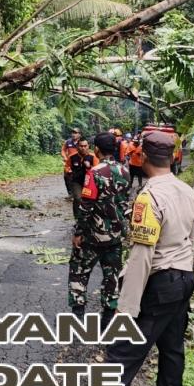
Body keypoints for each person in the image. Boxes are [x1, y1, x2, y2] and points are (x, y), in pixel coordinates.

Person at [98, 131, 194, 386]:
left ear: (142, 156)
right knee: (172, 351)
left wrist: (126, 308)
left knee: (120, 356)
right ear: (173, 157)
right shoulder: (188, 191)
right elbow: (192, 241)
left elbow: (142, 256)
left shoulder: (149, 197)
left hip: (160, 283)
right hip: (183, 279)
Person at [68, 132, 130, 329]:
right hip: (115, 236)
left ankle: (78, 315)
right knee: (112, 276)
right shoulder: (125, 171)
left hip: (92, 236)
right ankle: (108, 318)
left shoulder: (94, 173)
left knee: (79, 270)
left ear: (96, 149)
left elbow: (86, 206)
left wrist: (78, 232)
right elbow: (124, 203)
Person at [68, 138, 99, 219]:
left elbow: (97, 170)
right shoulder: (72, 156)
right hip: (77, 181)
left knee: (90, 199)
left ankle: (89, 217)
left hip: (90, 182)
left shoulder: (93, 157)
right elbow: (67, 167)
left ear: (88, 146)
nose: (83, 148)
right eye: (81, 146)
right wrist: (69, 171)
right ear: (77, 146)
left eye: (85, 146)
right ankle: (77, 218)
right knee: (78, 198)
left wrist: (89, 167)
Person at [61, 128, 81, 196]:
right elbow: (63, 150)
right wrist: (64, 157)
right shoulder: (68, 142)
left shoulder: (82, 142)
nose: (73, 134)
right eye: (72, 133)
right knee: (66, 176)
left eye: (75, 133)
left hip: (79, 162)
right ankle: (70, 193)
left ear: (79, 134)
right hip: (69, 162)